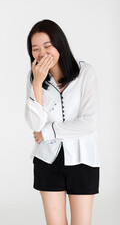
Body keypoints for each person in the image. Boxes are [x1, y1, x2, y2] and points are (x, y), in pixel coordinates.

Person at [25, 19, 100, 225]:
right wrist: (38, 84)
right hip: (47, 161)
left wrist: (48, 133)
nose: (42, 53)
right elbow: (34, 124)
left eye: (47, 46)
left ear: (60, 44)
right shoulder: (34, 79)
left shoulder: (85, 73)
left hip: (83, 159)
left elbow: (88, 123)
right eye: (35, 48)